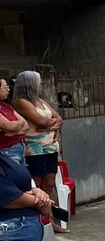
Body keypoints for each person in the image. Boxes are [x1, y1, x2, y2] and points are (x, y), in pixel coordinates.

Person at [12, 72, 62, 224]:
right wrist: (50, 124)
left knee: (49, 184)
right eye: (38, 83)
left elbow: (59, 119)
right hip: (34, 150)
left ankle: (50, 220)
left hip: (50, 148)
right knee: (37, 185)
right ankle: (38, 220)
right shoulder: (22, 102)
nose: (41, 86)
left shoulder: (41, 101)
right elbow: (40, 121)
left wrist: (50, 123)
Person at [0, 76, 28, 165]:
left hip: (19, 147)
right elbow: (10, 126)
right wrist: (16, 126)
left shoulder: (6, 106)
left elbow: (26, 125)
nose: (8, 89)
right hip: (7, 151)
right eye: (5, 87)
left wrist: (14, 131)